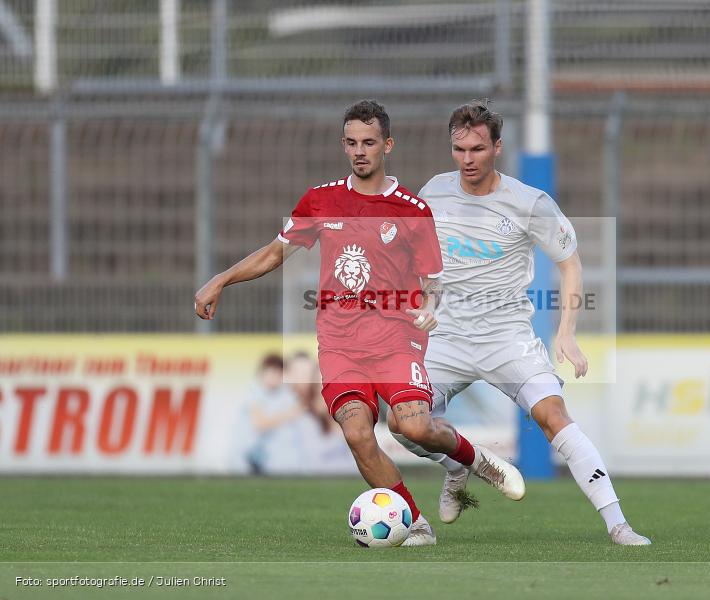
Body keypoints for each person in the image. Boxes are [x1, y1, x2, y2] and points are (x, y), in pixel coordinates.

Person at [194, 99, 525, 546]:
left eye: (369, 142)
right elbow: (275, 254)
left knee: (413, 427)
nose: (359, 151)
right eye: (351, 142)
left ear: (387, 144)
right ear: (343, 145)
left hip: (395, 339)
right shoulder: (321, 200)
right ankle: (415, 521)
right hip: (340, 343)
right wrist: (221, 279)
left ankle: (474, 458)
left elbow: (433, 281)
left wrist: (429, 306)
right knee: (357, 433)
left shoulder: (411, 210)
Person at [388, 99, 651, 545]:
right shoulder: (433, 191)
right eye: (459, 150)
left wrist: (566, 333)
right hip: (444, 337)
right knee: (402, 423)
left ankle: (619, 524)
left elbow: (570, 264)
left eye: (477, 149)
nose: (467, 160)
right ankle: (457, 466)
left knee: (553, 415)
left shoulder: (530, 202)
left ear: (498, 148)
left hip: (505, 339)